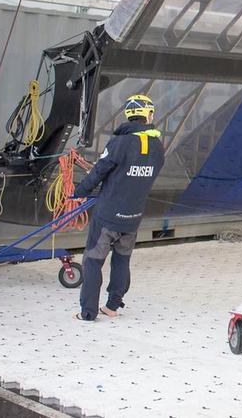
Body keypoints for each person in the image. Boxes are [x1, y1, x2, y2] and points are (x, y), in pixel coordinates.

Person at [72, 94, 164, 321]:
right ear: (149, 115)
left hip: (107, 215)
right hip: (133, 216)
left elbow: (99, 172)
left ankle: (88, 312)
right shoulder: (158, 146)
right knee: (122, 259)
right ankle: (112, 307)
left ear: (128, 115)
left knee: (93, 260)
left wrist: (78, 192)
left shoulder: (119, 143)